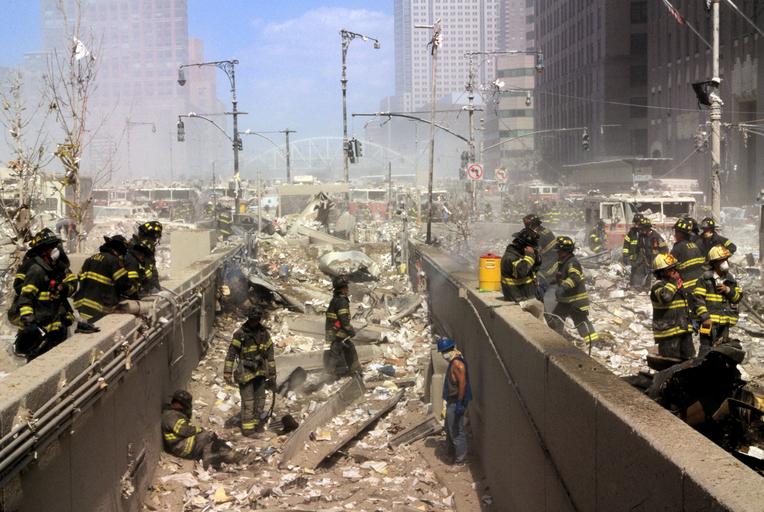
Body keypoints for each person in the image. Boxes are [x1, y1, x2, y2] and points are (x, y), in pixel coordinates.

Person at [10, 229, 78, 360]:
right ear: (43, 251)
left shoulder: (57, 267)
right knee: (37, 361)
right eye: (51, 247)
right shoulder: (36, 269)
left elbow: (72, 283)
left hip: (55, 327)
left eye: (55, 245)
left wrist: (63, 288)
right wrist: (29, 321)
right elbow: (25, 297)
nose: (56, 249)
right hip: (40, 328)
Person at [223, 306, 276, 437]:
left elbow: (270, 354)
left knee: (260, 400)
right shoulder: (240, 334)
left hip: (260, 372)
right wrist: (227, 372)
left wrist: (272, 372)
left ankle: (256, 425)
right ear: (249, 318)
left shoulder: (264, 333)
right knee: (248, 402)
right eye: (252, 319)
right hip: (245, 372)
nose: (254, 322)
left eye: (256, 319)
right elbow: (231, 353)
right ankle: (248, 430)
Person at [161, 390, 240, 468]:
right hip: (182, 447)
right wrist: (199, 430)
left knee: (214, 443)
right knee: (208, 435)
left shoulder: (173, 414)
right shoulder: (171, 416)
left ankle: (229, 455)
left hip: (181, 444)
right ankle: (217, 456)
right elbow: (185, 430)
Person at [548, 236, 599, 344]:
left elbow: (574, 278)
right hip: (566, 300)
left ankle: (593, 342)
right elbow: (562, 276)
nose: (557, 253)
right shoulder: (563, 261)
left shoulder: (572, 263)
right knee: (556, 318)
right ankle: (555, 340)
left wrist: (563, 287)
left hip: (576, 301)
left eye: (559, 251)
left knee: (581, 322)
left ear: (566, 251)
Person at [694, 245, 743, 355]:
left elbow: (737, 298)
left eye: (726, 259)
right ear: (714, 263)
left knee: (722, 350)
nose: (725, 262)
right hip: (707, 321)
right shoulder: (704, 279)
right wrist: (705, 317)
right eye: (722, 260)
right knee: (705, 349)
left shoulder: (730, 279)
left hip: (724, 322)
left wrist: (728, 290)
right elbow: (698, 300)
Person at [73, 235, 135, 322]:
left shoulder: (90, 259)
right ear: (119, 249)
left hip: (82, 307)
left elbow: (80, 277)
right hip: (99, 309)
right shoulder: (113, 261)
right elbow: (124, 284)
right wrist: (134, 295)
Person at [650, 253, 695, 361]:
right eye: (670, 269)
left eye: (674, 268)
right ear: (661, 272)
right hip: (668, 334)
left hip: (683, 330)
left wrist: (692, 322)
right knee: (670, 363)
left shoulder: (677, 285)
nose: (674, 271)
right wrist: (673, 282)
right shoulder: (657, 286)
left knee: (689, 361)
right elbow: (665, 297)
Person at [437, 338, 472, 465]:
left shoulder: (457, 364)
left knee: (456, 432)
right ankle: (451, 454)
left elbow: (463, 385)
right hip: (452, 401)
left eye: (444, 352)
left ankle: (461, 461)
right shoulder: (454, 362)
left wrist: (459, 404)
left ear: (450, 350)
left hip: (456, 402)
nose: (443, 355)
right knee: (449, 428)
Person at [324, 276, 361, 377]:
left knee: (345, 350)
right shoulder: (342, 301)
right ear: (342, 289)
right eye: (346, 287)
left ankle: (354, 371)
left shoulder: (334, 300)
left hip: (332, 331)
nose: (348, 289)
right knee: (336, 353)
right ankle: (329, 376)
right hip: (338, 333)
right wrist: (350, 331)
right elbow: (343, 319)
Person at [500, 228, 541, 302]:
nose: (533, 250)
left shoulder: (521, 254)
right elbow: (522, 272)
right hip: (516, 298)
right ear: (525, 247)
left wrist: (536, 258)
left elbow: (532, 269)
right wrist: (530, 255)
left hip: (526, 295)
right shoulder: (510, 258)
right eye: (532, 247)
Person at [127, 221, 162, 295]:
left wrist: (158, 289)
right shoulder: (131, 250)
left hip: (145, 289)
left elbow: (152, 272)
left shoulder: (148, 251)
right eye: (152, 239)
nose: (153, 242)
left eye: (155, 239)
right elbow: (131, 278)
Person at [632, 217, 668, 289]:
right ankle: (640, 286)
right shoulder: (641, 236)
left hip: (655, 259)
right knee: (640, 271)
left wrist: (660, 260)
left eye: (643, 228)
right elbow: (637, 248)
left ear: (648, 228)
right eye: (641, 229)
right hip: (645, 258)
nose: (641, 230)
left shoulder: (656, 236)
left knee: (653, 274)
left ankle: (654, 286)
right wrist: (634, 259)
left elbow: (665, 249)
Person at [670, 218, 704, 291]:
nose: (675, 234)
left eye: (676, 232)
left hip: (687, 284)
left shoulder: (678, 247)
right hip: (700, 282)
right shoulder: (694, 245)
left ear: (681, 234)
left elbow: (669, 266)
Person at [523, 213, 556, 277]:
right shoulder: (545, 230)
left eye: (527, 224)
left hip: (549, 261)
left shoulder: (539, 235)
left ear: (532, 224)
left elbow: (531, 251)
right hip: (551, 257)